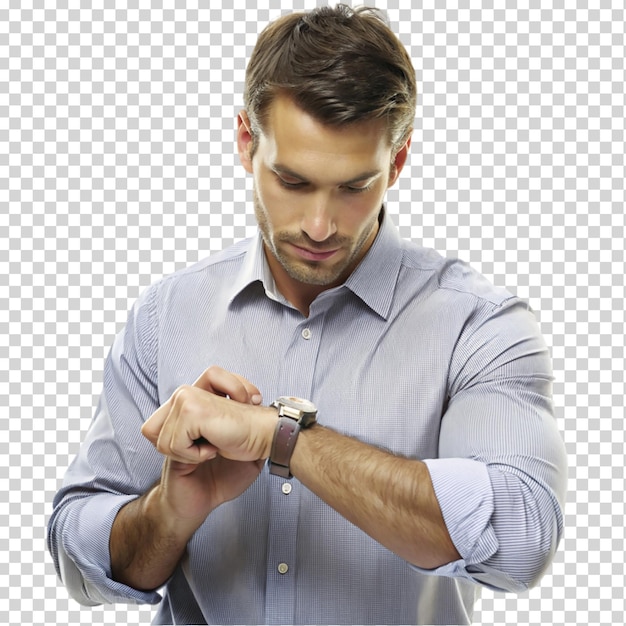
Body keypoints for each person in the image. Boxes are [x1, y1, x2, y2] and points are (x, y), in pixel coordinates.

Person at [47, 5, 567, 625]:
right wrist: (169, 510)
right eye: (292, 182)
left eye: (353, 187)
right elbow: (75, 553)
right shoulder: (168, 315)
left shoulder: (478, 326)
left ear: (396, 164)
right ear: (246, 142)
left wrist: (280, 437)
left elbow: (521, 536)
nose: (320, 227)